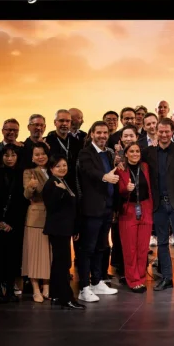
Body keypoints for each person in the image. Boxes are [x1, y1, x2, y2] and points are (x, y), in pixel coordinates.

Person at [144, 118, 174, 292]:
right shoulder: (148, 152)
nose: (164, 134)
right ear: (156, 132)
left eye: (167, 131)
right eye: (161, 131)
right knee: (162, 242)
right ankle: (166, 278)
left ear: (172, 132)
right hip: (158, 204)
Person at [76, 121, 120, 302]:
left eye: (105, 133)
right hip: (92, 209)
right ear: (92, 134)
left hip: (107, 208)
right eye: (99, 132)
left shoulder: (108, 154)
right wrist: (104, 177)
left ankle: (96, 281)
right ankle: (84, 287)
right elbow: (88, 171)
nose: (102, 136)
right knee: (87, 248)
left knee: (101, 246)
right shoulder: (85, 153)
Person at [42, 155, 84, 310]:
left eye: (64, 165)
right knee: (63, 264)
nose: (62, 168)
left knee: (60, 263)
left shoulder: (63, 181)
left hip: (65, 229)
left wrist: (75, 228)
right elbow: (52, 207)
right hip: (58, 229)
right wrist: (60, 192)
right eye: (58, 166)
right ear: (51, 168)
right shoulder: (51, 183)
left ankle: (56, 295)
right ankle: (66, 298)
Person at [0, 145, 25, 303]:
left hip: (14, 225)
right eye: (6, 155)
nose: (9, 158)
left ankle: (9, 289)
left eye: (13, 155)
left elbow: (22, 202)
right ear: (1, 157)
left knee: (13, 257)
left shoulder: (22, 174)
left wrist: (12, 223)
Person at [116, 142, 153, 292]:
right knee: (130, 248)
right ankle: (133, 280)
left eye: (137, 151)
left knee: (143, 248)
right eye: (131, 151)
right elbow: (118, 192)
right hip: (128, 210)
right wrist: (126, 189)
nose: (135, 154)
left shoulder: (145, 167)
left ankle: (141, 278)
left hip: (145, 208)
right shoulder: (120, 169)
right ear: (126, 154)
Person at [22, 142, 52, 303]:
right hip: (36, 217)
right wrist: (31, 187)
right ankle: (35, 289)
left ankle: (46, 286)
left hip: (53, 217)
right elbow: (27, 195)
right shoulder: (29, 172)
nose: (40, 157)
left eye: (43, 154)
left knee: (49, 254)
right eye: (37, 154)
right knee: (34, 255)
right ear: (32, 157)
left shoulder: (54, 170)